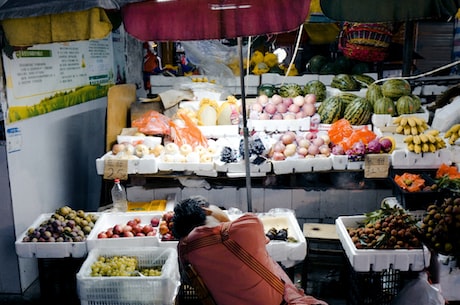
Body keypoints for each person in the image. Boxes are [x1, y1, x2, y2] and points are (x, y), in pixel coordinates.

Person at [172, 196, 328, 305]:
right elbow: (233, 228)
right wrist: (218, 215)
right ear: (206, 210)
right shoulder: (248, 225)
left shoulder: (186, 249)